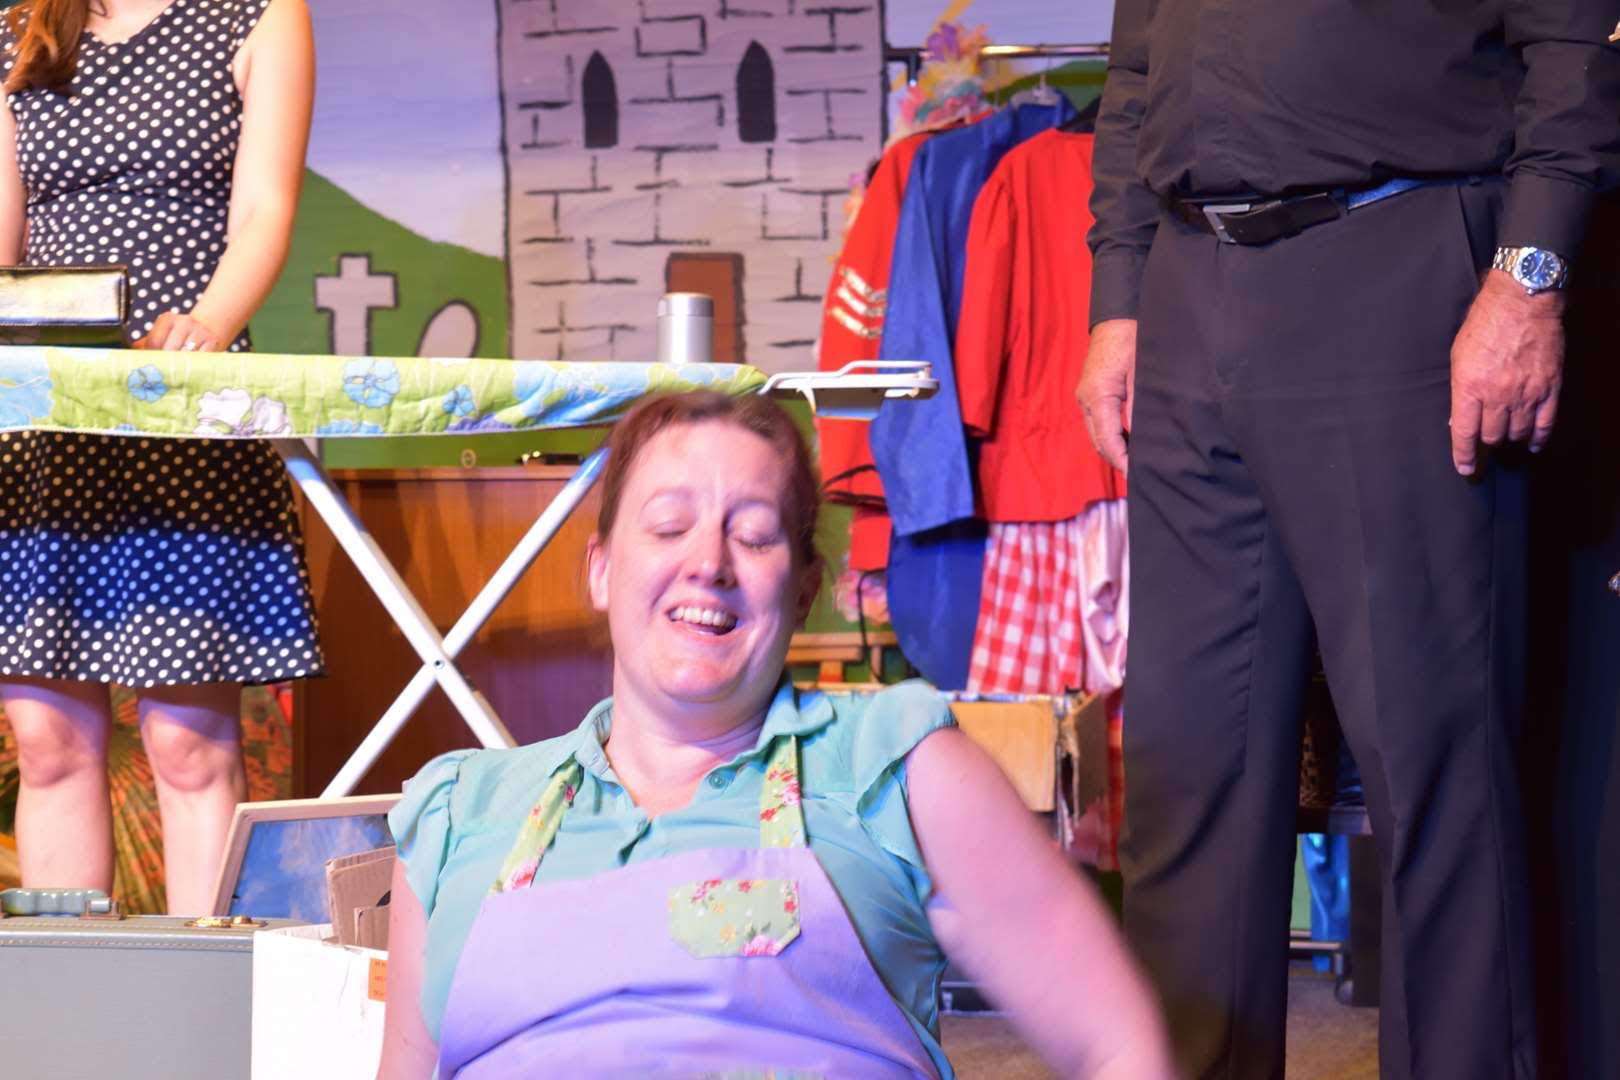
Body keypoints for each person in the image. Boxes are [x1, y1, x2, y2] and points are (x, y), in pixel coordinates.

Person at [1077, 4, 1620, 1079]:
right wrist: (1119, 294)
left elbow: (1574, 43)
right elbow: (1136, 69)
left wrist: (1530, 277)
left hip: (1400, 259)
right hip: (1188, 285)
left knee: (1435, 775)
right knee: (1190, 778)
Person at [378, 391, 1175, 1080]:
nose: (709, 562)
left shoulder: (898, 767)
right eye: (668, 526)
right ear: (600, 570)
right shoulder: (458, 813)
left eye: (755, 535)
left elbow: (1117, 1045)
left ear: (802, 592)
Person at [0, 0, 319, 915]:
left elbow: (264, 208)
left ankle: (202, 983)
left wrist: (208, 324)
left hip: (182, 407)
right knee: (49, 740)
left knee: (188, 742)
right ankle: (68, 989)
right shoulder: (20, 26)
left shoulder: (259, 14)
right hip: (48, 416)